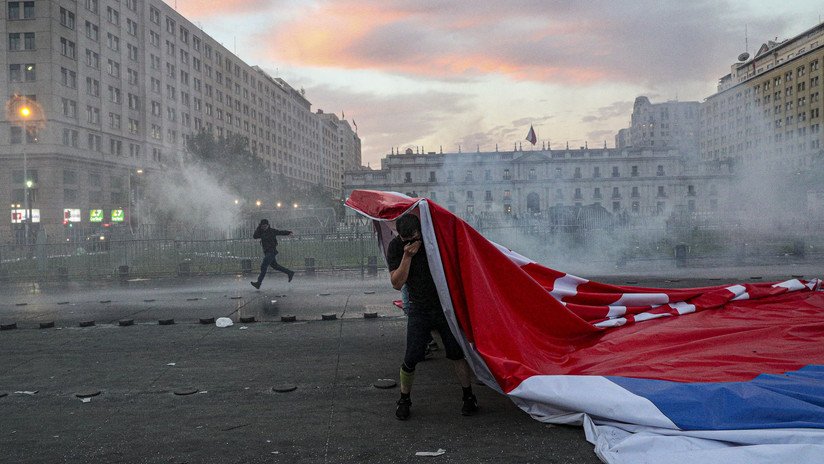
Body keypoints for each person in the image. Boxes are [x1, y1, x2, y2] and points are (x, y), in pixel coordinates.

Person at [387, 213, 478, 420]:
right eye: (406, 240)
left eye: (414, 238)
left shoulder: (432, 241)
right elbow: (397, 283)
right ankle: (404, 399)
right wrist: (407, 257)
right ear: (400, 236)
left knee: (456, 353)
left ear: (420, 232)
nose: (411, 243)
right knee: (411, 357)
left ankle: (468, 396)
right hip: (419, 308)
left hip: (444, 307)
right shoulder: (396, 247)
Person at [250, 219, 294, 289]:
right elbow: (255, 236)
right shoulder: (260, 232)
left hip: (271, 251)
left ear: (268, 225)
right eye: (263, 226)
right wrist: (259, 228)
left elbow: (280, 232)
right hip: (267, 252)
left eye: (265, 226)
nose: (264, 227)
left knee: (264, 266)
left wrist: (289, 232)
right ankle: (289, 272)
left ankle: (258, 283)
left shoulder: (272, 231)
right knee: (275, 266)